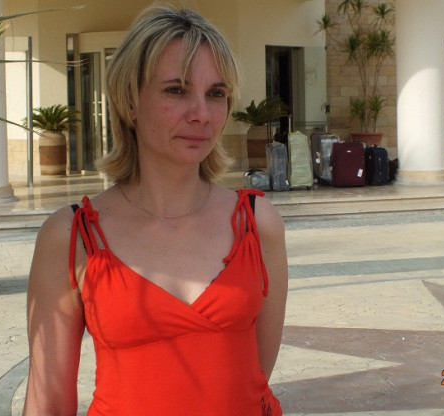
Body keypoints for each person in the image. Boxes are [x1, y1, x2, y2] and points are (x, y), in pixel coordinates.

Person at [23, 5, 288, 415]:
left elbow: (253, 377)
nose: (201, 114)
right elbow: (48, 403)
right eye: (176, 90)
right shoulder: (72, 236)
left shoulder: (256, 224)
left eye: (216, 93)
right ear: (130, 101)